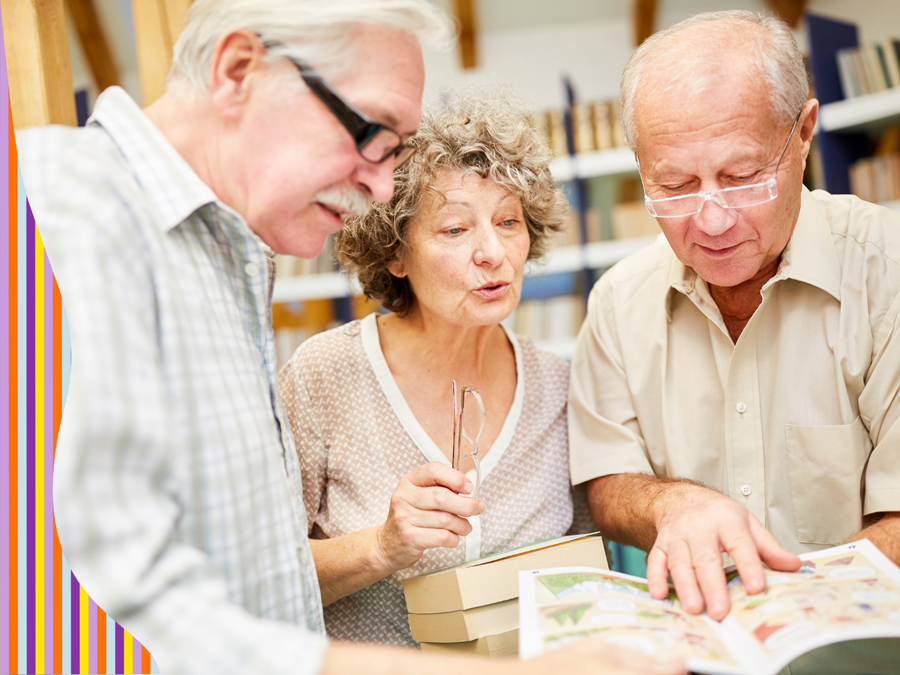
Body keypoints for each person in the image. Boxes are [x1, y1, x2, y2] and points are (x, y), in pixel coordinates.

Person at [18, 1, 684, 674]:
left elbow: (249, 588)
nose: (380, 183)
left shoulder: (230, 263)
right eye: (370, 130)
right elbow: (90, 613)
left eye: (394, 149)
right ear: (238, 69)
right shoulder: (52, 216)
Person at [568, 9, 900, 672]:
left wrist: (776, 609)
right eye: (675, 185)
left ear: (803, 132)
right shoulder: (617, 302)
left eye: (744, 175)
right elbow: (607, 480)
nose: (712, 221)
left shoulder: (887, 269)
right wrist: (670, 501)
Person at [278, 91, 592, 645]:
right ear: (394, 253)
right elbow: (261, 575)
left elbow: (588, 577)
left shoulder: (556, 385)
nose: (493, 252)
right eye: (455, 230)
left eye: (508, 221)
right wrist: (382, 547)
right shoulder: (322, 374)